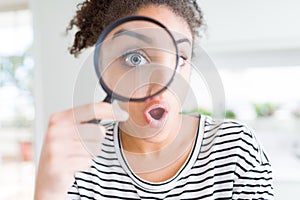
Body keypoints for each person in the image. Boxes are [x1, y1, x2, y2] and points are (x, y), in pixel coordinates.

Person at [34, 0, 274, 199]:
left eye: (180, 57)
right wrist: (48, 192)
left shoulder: (237, 150)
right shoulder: (81, 157)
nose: (162, 82)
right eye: (135, 58)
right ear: (105, 66)